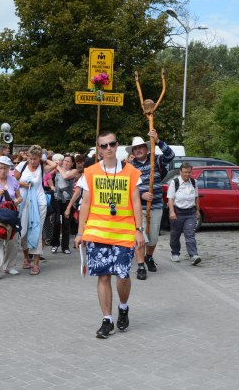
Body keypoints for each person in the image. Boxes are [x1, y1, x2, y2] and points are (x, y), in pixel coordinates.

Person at [74, 130, 144, 339]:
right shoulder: (91, 172)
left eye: (111, 144)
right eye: (103, 146)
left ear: (117, 145)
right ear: (98, 149)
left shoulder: (131, 172)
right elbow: (85, 203)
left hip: (124, 233)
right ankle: (107, 320)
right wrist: (80, 232)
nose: (108, 149)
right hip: (97, 232)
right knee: (103, 276)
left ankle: (123, 306)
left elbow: (136, 202)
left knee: (122, 275)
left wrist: (139, 230)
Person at [126, 130, 175, 280]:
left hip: (156, 206)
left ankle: (149, 256)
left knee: (153, 238)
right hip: (138, 207)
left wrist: (158, 141)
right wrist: (141, 194)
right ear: (133, 151)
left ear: (147, 149)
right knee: (140, 237)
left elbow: (171, 156)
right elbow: (127, 187)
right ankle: (140, 265)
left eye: (141, 147)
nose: (139, 150)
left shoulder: (156, 161)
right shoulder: (129, 167)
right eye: (136, 148)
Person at [14, 145, 57, 275]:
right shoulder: (21, 166)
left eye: (36, 159)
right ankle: (26, 258)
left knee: (36, 230)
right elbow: (13, 180)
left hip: (39, 203)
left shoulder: (42, 167)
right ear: (27, 157)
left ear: (39, 158)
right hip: (24, 202)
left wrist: (44, 159)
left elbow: (54, 164)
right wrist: (23, 184)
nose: (33, 161)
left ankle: (36, 264)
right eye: (31, 158)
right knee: (23, 229)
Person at [167, 162, 201, 265]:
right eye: (185, 172)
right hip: (177, 212)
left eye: (189, 172)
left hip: (190, 212)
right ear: (180, 171)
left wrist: (197, 210)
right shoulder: (175, 182)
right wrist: (172, 212)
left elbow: (196, 197)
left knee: (190, 234)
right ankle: (175, 253)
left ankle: (193, 255)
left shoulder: (194, 182)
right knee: (175, 235)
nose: (187, 175)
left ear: (191, 172)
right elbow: (170, 199)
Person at [51, 154, 79, 254]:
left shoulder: (74, 171)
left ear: (72, 164)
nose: (66, 163)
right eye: (65, 160)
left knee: (66, 223)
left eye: (68, 161)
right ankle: (54, 244)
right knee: (57, 222)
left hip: (68, 200)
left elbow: (66, 176)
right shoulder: (57, 169)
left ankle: (65, 247)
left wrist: (58, 167)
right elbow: (47, 169)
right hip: (57, 199)